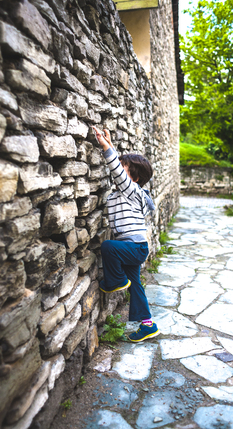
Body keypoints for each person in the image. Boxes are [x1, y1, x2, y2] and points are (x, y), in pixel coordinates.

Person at [92, 126, 160, 342]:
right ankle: (148, 325)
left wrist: (104, 147)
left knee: (108, 247)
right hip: (133, 248)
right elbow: (121, 171)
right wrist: (111, 144)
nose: (119, 171)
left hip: (134, 247)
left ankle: (115, 281)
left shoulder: (131, 191)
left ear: (136, 178)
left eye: (124, 168)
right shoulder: (129, 192)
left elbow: (117, 171)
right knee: (136, 285)